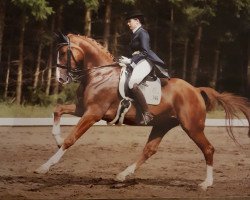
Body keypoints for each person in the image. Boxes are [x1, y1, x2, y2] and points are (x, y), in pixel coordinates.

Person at [119, 10, 169, 125]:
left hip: (146, 61)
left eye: (129, 21)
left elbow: (145, 52)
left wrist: (131, 61)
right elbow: (137, 52)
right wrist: (126, 60)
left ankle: (147, 113)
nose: (128, 24)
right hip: (138, 60)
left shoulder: (142, 33)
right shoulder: (135, 33)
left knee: (132, 83)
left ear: (137, 21)